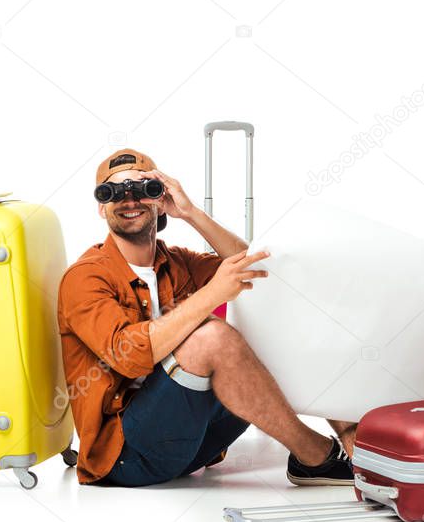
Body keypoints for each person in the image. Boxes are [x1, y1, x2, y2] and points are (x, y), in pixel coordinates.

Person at [58, 149, 356, 487]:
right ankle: (318, 458)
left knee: (275, 313)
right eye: (114, 192)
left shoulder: (176, 261)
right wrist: (212, 295)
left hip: (197, 441)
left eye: (143, 189)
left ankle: (356, 445)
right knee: (211, 336)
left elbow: (256, 269)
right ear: (101, 206)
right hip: (129, 455)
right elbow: (128, 357)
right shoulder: (85, 277)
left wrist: (191, 213)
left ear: (160, 199)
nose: (129, 200)